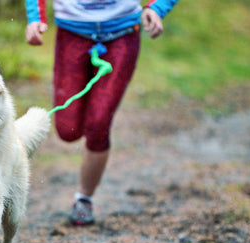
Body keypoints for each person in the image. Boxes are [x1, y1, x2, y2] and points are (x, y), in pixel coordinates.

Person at [25, 0, 179, 225]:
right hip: (72, 32)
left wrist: (157, 7)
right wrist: (35, 17)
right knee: (67, 130)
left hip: (123, 32)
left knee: (98, 123)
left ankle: (84, 199)